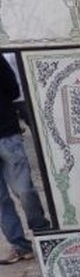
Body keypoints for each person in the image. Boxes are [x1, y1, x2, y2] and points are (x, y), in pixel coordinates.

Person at [0, 54, 50, 265]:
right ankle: (23, 245)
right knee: (10, 195)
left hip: (6, 134)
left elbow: (12, 88)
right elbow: (12, 89)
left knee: (22, 190)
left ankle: (42, 235)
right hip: (6, 130)